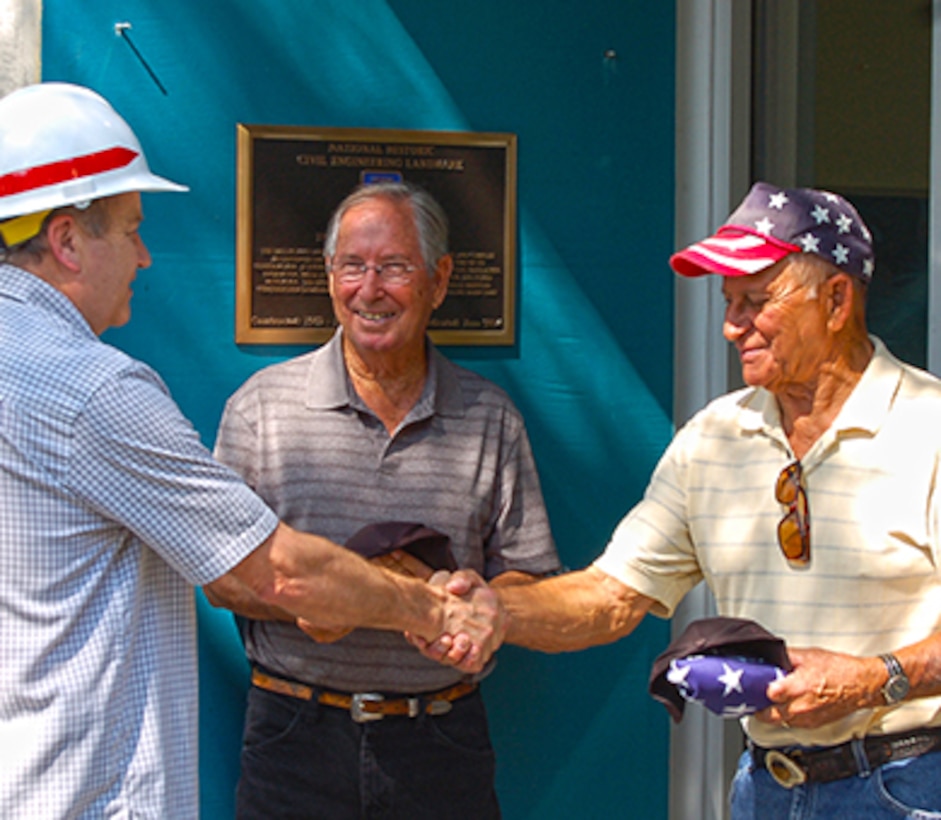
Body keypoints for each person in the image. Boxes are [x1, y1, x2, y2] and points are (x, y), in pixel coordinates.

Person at [0, 83, 503, 819]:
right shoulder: (94, 391)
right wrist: (429, 610)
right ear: (69, 240)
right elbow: (278, 575)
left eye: (395, 267)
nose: (144, 256)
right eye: (132, 228)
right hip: (85, 794)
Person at [427, 181, 941, 818]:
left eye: (755, 301)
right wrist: (492, 608)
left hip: (906, 785)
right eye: (729, 303)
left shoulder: (930, 428)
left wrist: (872, 679)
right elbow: (611, 596)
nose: (731, 327)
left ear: (836, 301)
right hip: (765, 788)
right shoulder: (715, 438)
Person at [211, 180, 560, 819]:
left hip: (440, 740)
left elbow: (530, 576)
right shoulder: (261, 407)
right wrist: (322, 602)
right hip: (295, 735)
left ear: (440, 280)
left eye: (395, 267)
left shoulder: (490, 417)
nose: (369, 289)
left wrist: (481, 608)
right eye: (352, 266)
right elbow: (219, 574)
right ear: (329, 276)